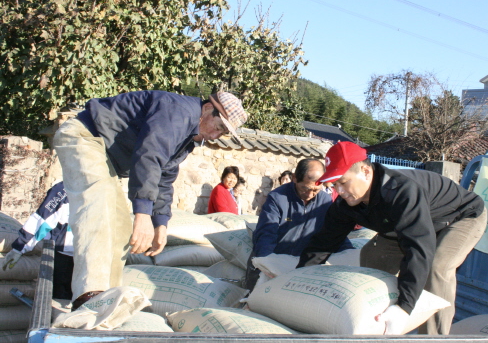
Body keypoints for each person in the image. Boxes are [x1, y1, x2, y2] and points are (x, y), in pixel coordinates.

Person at [53, 90, 247, 310]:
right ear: (206, 109)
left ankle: (107, 298)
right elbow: (149, 156)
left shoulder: (186, 138)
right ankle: (89, 297)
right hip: (87, 137)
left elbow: (164, 178)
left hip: (107, 159)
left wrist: (160, 223)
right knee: (100, 208)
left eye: (222, 133)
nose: (214, 136)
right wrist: (143, 214)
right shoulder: (178, 111)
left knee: (120, 227)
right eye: (218, 127)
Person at [297, 142, 487, 335]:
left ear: (365, 171)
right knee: (372, 255)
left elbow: (418, 248)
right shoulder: (345, 204)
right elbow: (323, 242)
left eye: (343, 182)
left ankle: (433, 337)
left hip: (460, 217)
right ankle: (373, 325)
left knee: (436, 267)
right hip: (411, 224)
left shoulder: (401, 191)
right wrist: (297, 277)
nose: (340, 191)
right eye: (335, 184)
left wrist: (404, 308)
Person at [246, 158, 354, 291]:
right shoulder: (277, 197)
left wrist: (350, 255)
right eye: (305, 188)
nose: (310, 194)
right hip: (274, 260)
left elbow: (335, 232)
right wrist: (267, 263)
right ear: (295, 178)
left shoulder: (325, 201)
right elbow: (266, 233)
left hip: (300, 266)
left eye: (315, 190)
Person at [2, 181, 74, 299]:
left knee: (61, 301)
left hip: (67, 256)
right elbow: (42, 219)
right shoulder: (64, 190)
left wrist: (20, 246)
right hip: (79, 257)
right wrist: (20, 246)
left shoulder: (65, 188)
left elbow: (42, 220)